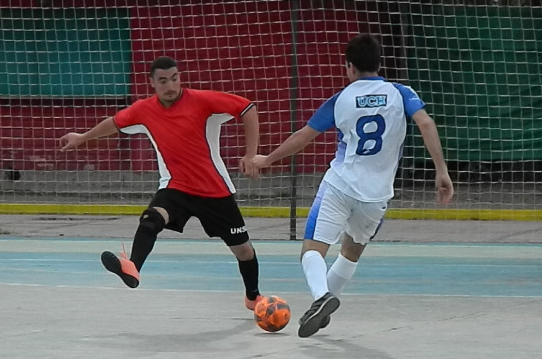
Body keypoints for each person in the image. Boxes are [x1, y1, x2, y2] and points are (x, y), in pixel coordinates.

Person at [252, 34, 455, 337]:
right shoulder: (401, 93)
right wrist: (441, 171)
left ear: (349, 67)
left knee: (311, 251)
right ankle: (323, 302)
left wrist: (267, 159)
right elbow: (426, 124)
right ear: (379, 63)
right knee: (350, 252)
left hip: (340, 185)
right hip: (377, 195)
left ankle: (322, 297)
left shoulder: (342, 99)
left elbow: (304, 137)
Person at [59, 56, 263, 310]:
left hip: (214, 192)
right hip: (176, 187)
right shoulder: (144, 109)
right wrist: (82, 138)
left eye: (174, 78)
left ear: (180, 77)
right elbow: (113, 123)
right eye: (163, 81)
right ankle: (132, 267)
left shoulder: (203, 101)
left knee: (244, 251)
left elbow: (247, 108)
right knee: (151, 219)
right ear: (152, 83)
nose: (170, 86)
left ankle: (253, 297)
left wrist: (250, 154)